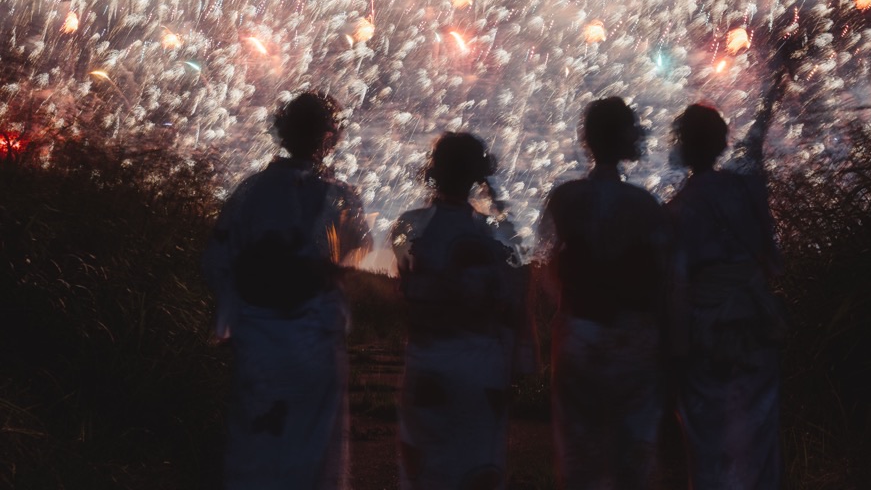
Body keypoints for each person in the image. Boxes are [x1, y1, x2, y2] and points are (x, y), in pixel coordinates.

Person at [203, 92, 370, 490]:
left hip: (258, 336)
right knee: (312, 447)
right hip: (314, 340)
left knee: (257, 444)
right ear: (329, 137)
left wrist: (230, 318)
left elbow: (219, 259)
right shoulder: (340, 195)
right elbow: (355, 249)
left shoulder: (251, 192)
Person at [538, 96, 672, 490]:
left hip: (578, 335)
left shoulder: (565, 198)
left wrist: (566, 316)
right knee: (632, 454)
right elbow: (663, 279)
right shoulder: (645, 206)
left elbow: (545, 265)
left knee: (579, 453)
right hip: (633, 340)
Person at [391, 131, 525, 490]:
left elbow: (406, 283)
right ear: (478, 175)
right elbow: (513, 298)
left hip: (426, 363)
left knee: (425, 471)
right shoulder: (497, 233)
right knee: (478, 467)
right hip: (483, 369)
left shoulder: (408, 226)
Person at [667, 103, 783, 490]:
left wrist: (675, 352)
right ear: (721, 142)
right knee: (757, 430)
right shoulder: (745, 187)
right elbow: (771, 256)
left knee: (708, 438)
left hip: (708, 333)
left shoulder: (679, 209)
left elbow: (678, 284)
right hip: (754, 324)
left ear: (683, 146)